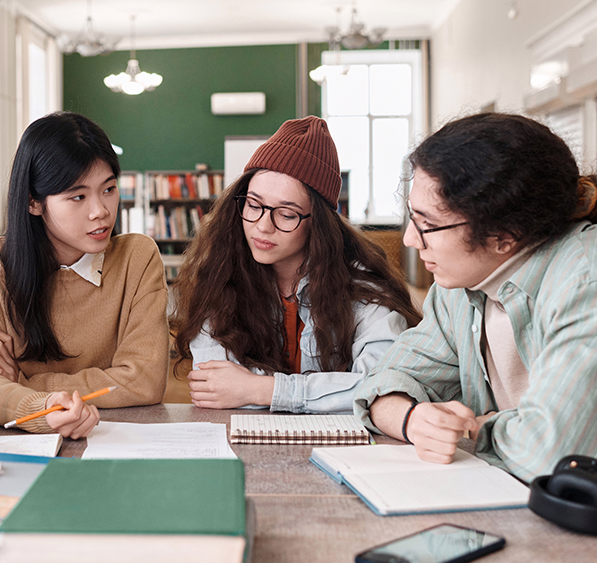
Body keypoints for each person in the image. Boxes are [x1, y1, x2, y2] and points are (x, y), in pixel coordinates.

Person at [355, 113, 597, 489]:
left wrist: (467, 429)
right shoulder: (459, 287)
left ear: (504, 235)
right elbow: (384, 382)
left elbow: (552, 449)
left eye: (428, 225)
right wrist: (411, 419)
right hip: (515, 501)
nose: (410, 241)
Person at [172, 116, 421, 413]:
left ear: (319, 223)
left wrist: (260, 389)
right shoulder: (218, 274)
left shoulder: (364, 288)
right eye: (253, 205)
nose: (262, 226)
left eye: (287, 215)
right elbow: (216, 387)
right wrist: (330, 393)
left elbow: (383, 386)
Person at [0, 112, 168, 437]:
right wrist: (43, 409)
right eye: (78, 196)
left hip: (118, 439)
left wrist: (25, 384)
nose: (101, 211)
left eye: (109, 189)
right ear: (33, 203)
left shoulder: (136, 258)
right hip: (20, 443)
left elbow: (145, 381)